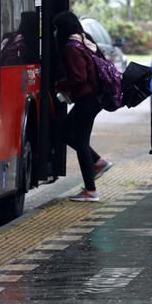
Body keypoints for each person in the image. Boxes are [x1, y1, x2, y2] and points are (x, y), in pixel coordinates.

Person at [53, 11, 112, 203]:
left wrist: (60, 84)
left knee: (80, 141)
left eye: (57, 29)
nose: (55, 33)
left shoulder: (71, 47)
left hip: (87, 98)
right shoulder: (85, 39)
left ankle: (91, 190)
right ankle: (98, 162)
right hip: (94, 98)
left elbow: (79, 77)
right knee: (64, 132)